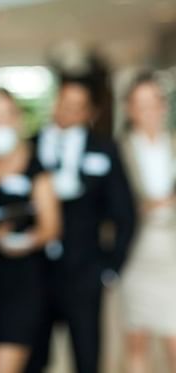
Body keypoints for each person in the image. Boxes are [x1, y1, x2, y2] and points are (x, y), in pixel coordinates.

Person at [25, 77, 136, 373]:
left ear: (90, 112)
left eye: (77, 106)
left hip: (85, 271)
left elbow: (125, 213)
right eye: (63, 103)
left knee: (87, 356)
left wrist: (110, 268)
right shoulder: (29, 146)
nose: (67, 112)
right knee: (31, 356)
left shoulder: (104, 148)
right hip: (34, 272)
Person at [0, 88, 60, 373]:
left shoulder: (35, 167)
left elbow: (51, 228)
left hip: (20, 285)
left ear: (18, 120)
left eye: (5, 114)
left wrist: (18, 240)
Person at [118, 72, 176, 373]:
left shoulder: (174, 143)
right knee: (137, 338)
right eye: (141, 104)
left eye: (154, 103)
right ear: (129, 108)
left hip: (172, 249)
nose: (149, 111)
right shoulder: (120, 148)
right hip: (136, 249)